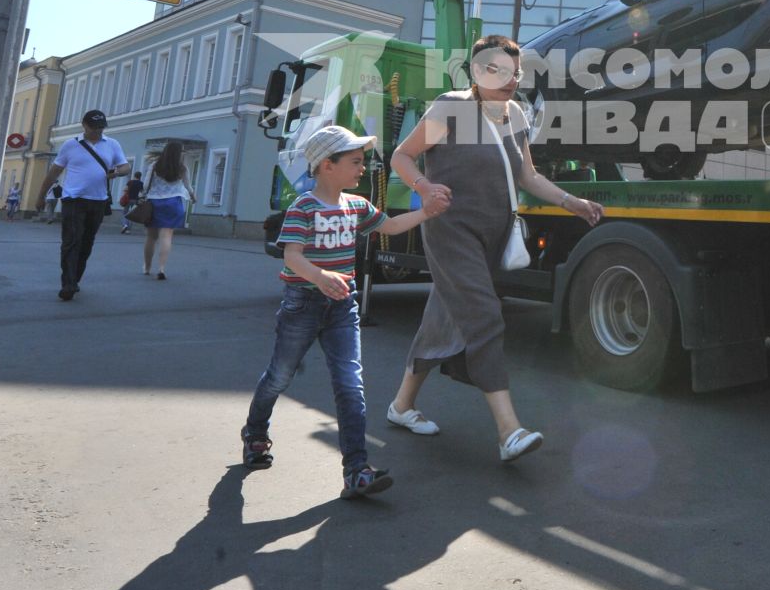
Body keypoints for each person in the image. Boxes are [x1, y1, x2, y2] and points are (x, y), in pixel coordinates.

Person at [387, 35, 605, 463]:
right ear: (477, 72)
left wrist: (571, 202)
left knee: (443, 315)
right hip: (451, 229)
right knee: (485, 315)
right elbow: (402, 155)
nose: (510, 80)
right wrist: (425, 186)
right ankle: (509, 430)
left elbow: (528, 175)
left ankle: (401, 406)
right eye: (498, 71)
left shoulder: (516, 113)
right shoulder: (451, 107)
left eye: (515, 72)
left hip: (496, 232)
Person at [239, 125, 444, 497]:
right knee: (279, 376)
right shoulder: (304, 207)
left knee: (351, 386)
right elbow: (292, 256)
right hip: (302, 305)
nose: (362, 168)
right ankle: (255, 433)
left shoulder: (356, 205)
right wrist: (319, 277)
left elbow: (392, 225)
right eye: (354, 161)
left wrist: (427, 212)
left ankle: (357, 471)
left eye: (361, 162)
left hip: (342, 308)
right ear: (326, 165)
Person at [39, 109, 129, 301]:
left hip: (98, 201)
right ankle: (68, 284)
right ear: (84, 126)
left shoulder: (112, 144)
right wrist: (40, 196)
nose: (98, 131)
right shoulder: (70, 145)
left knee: (87, 243)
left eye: (101, 127)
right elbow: (54, 172)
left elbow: (126, 166)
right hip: (73, 200)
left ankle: (75, 279)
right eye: (94, 127)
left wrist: (117, 172)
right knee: (72, 241)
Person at [140, 143, 192, 279]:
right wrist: (192, 195)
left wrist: (143, 195)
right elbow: (188, 186)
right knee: (167, 236)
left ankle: (147, 267)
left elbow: (145, 186)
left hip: (155, 203)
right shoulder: (182, 168)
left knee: (151, 237)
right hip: (174, 203)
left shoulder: (155, 166)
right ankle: (161, 269)